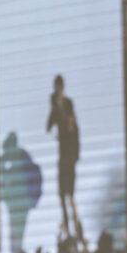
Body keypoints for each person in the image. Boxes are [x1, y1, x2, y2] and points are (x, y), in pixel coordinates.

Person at [46, 74, 82, 242]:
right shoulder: (55, 106)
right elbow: (50, 124)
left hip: (70, 157)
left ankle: (75, 226)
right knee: (62, 193)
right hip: (64, 156)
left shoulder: (68, 106)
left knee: (70, 195)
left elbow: (73, 131)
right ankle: (68, 227)